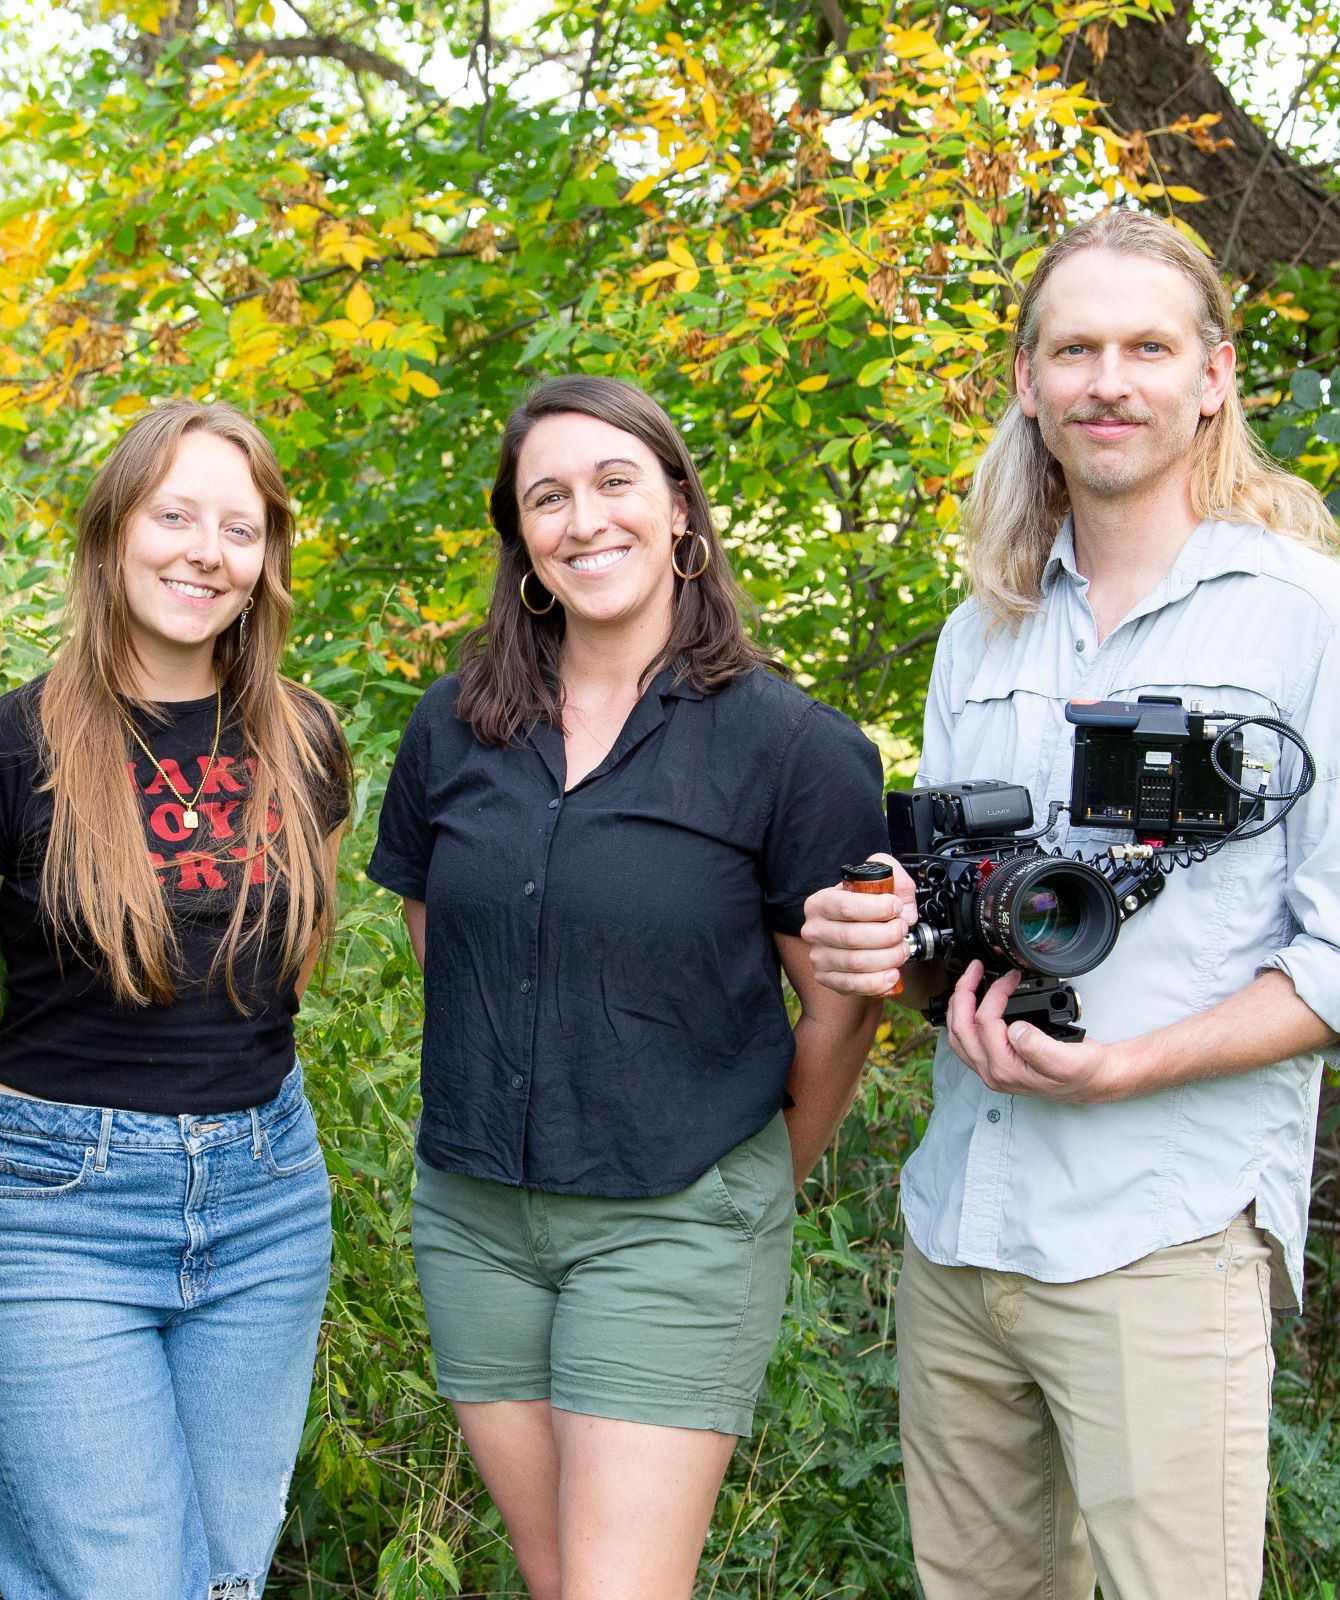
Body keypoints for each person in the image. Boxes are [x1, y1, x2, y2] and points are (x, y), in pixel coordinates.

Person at [800, 209, 1340, 1599]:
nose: (1109, 380)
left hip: (1162, 1230)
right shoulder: (989, 624)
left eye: (1147, 346)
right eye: (1074, 347)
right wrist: (890, 941)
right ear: (1027, 381)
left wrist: (1134, 1064)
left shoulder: (1319, 626)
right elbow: (975, 919)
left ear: (1214, 375)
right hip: (963, 1227)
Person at [366, 374, 886, 1600]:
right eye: (547, 497)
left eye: (614, 482)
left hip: (674, 1217)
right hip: (476, 1221)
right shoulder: (453, 729)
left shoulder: (793, 748)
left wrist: (748, 1189)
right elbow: (447, 951)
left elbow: (842, 1010)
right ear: (521, 542)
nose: (583, 518)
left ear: (679, 513)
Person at [0, 400, 348, 1600]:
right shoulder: (6, 752)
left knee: (225, 1581)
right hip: (49, 1214)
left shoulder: (308, 743)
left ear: (266, 560)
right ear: (113, 532)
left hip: (268, 1201)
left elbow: (276, 978)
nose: (204, 551)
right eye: (174, 514)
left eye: (239, 528)